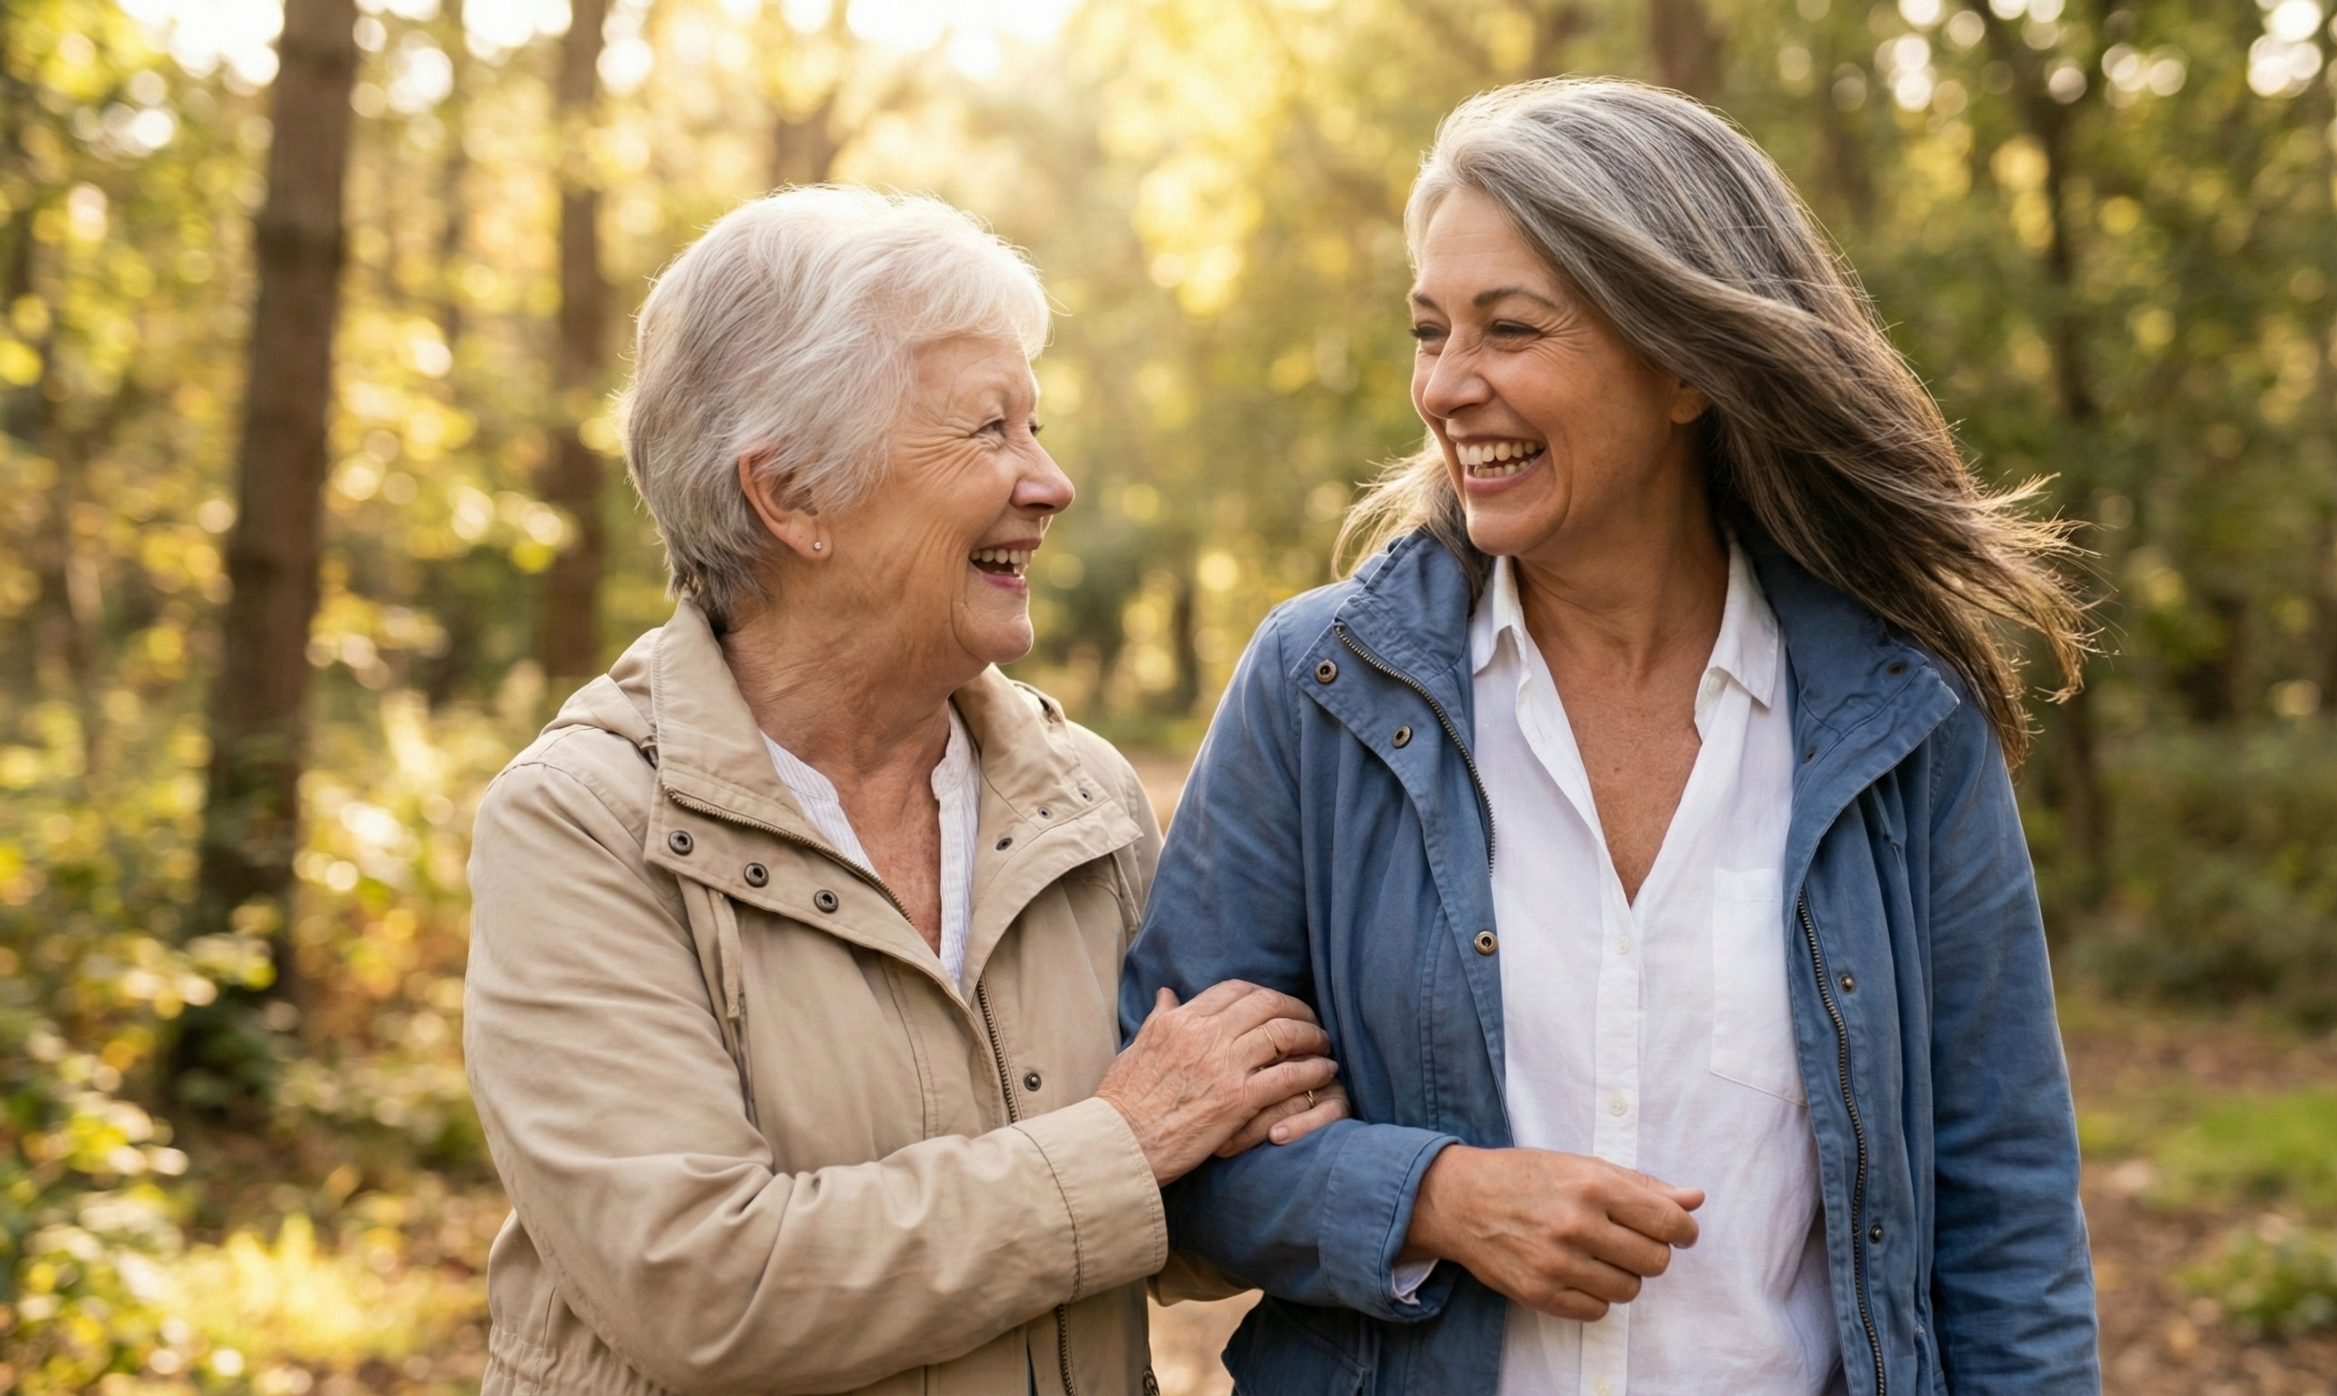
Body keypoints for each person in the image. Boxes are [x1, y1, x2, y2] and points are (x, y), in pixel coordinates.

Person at [1122, 78, 2101, 1395]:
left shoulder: (1899, 718)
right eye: (1430, 330)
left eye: (1510, 329)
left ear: (1687, 363)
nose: (1446, 386)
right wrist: (1437, 1198)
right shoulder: (1321, 689)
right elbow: (1166, 1160)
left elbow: (2008, 1218)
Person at [463, 186, 1344, 1396]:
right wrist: (1123, 1143)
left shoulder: (1078, 797)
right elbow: (706, 1292)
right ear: (791, 496)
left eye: (1034, 426)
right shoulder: (583, 823)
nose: (1050, 482)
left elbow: (1183, 1208)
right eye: (988, 431)